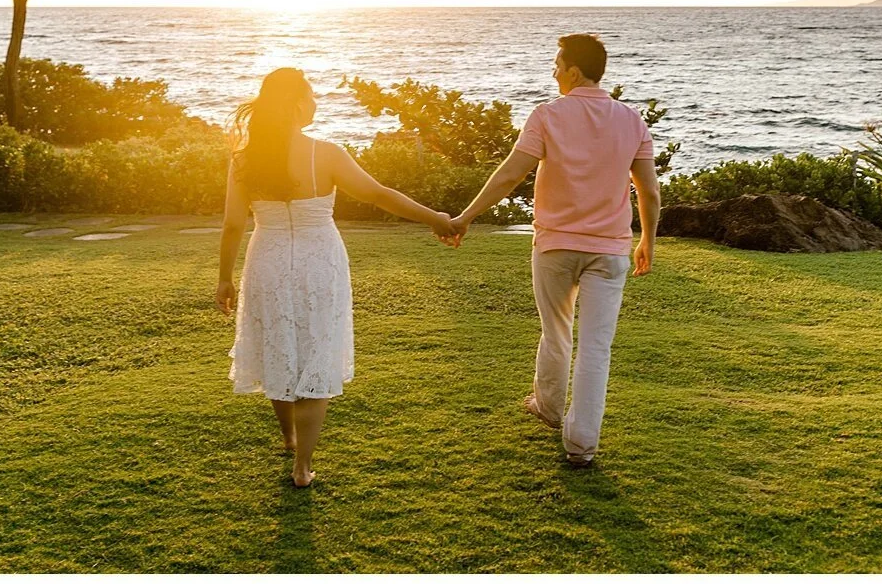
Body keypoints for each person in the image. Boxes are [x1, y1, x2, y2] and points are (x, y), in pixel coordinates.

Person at [217, 67, 458, 487]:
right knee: (316, 350)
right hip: (319, 262)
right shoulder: (325, 154)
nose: (315, 102)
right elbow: (379, 194)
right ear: (297, 104)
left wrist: (224, 277)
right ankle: (302, 466)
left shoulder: (244, 158)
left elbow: (233, 224)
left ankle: (289, 437)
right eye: (311, 95)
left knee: (278, 344)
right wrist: (435, 217)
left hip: (267, 259)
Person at [449, 33, 660, 467]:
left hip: (555, 246)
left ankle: (547, 406)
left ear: (574, 72)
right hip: (609, 251)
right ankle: (581, 444)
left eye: (557, 66)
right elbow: (649, 191)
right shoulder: (631, 120)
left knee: (557, 330)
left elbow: (510, 175)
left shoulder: (547, 115)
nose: (553, 72)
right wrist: (647, 240)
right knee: (596, 346)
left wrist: (466, 216)